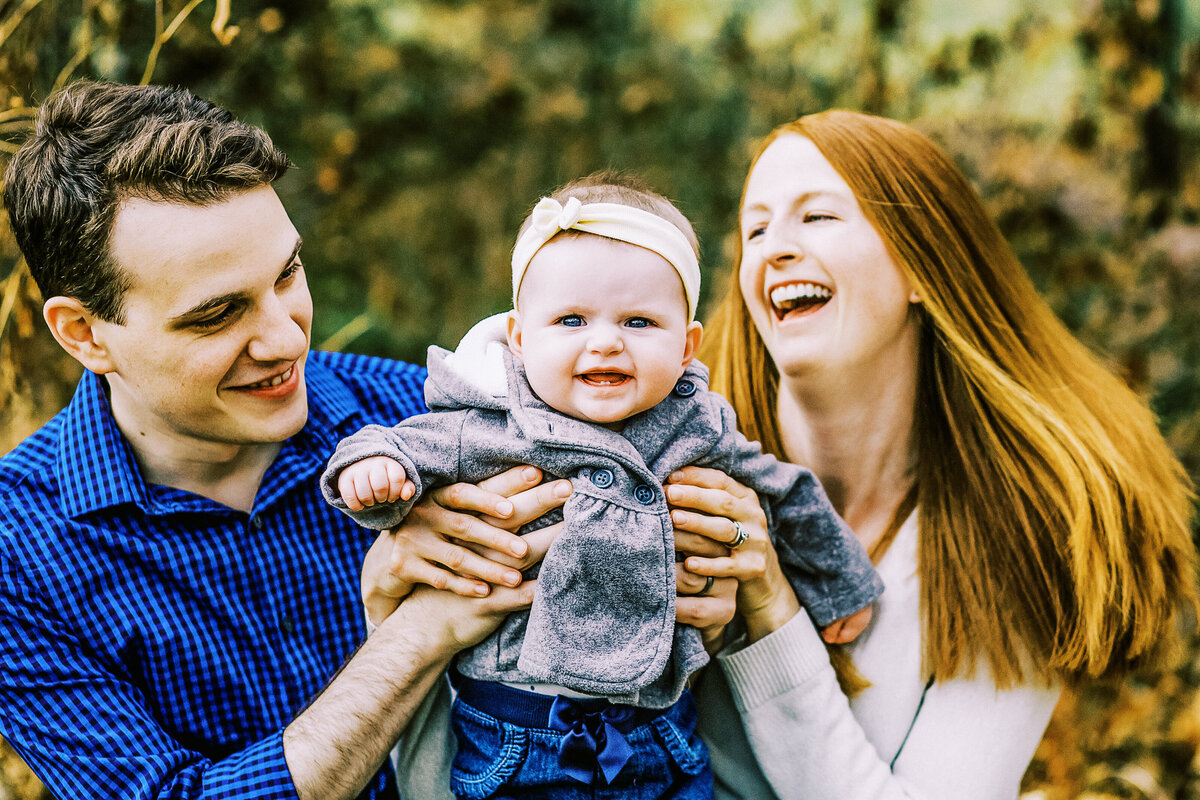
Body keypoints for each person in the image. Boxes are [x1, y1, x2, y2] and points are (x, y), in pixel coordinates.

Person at [366, 110, 1198, 800]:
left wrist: (769, 605)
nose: (773, 248)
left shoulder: (1026, 523)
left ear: (923, 264)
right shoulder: (649, 443)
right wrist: (400, 618)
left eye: (818, 216)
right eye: (755, 227)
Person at [0, 79, 579, 800]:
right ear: (84, 334)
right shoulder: (18, 553)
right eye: (217, 314)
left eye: (287, 274)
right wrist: (418, 632)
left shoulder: (423, 414)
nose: (284, 338)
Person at [319, 174, 882, 798]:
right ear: (521, 338)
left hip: (662, 723)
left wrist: (837, 583)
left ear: (688, 345)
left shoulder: (698, 424)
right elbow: (397, 444)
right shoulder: (488, 419)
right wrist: (374, 473)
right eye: (571, 319)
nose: (606, 340)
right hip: (516, 730)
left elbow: (783, 493)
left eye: (640, 321)